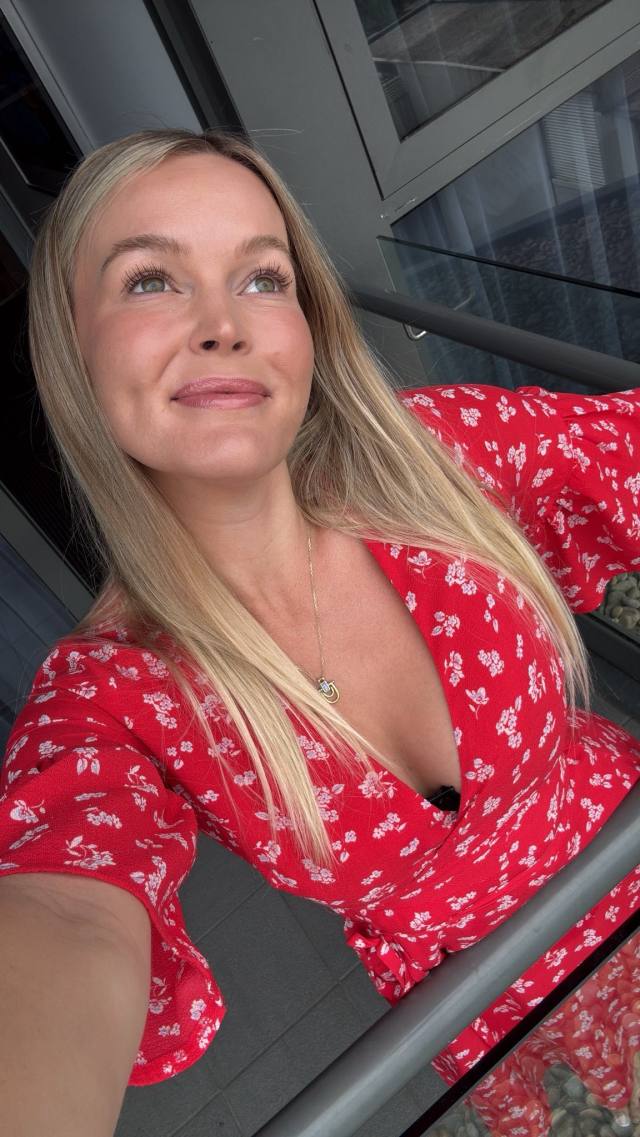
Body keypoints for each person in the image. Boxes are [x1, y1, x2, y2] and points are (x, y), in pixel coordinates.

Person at [0, 126, 639, 1137]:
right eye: (150, 280)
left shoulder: (439, 459)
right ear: (71, 347)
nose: (223, 325)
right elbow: (67, 907)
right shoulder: (113, 695)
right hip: (481, 992)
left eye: (263, 278)